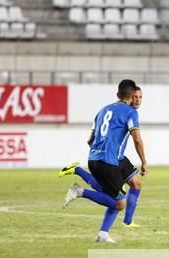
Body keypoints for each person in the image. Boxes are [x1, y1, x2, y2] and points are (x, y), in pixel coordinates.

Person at [62, 80, 148, 243]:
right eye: (135, 96)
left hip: (94, 158)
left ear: (118, 94)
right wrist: (144, 161)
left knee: (115, 192)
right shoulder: (130, 112)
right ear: (131, 96)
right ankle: (79, 192)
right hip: (108, 161)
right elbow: (137, 139)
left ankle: (103, 234)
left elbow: (90, 140)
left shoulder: (102, 111)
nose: (137, 100)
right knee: (119, 203)